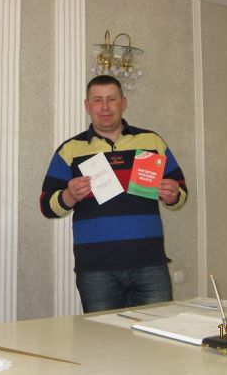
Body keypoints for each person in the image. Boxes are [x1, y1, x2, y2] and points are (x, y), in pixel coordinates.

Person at [40, 75, 187, 313]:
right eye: (97, 100)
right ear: (87, 106)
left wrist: (173, 195)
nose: (105, 107)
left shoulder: (151, 141)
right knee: (103, 335)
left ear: (123, 102)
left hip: (150, 265)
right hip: (96, 270)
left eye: (112, 99)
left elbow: (180, 191)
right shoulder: (70, 150)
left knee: (157, 333)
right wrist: (69, 196)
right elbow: (46, 205)